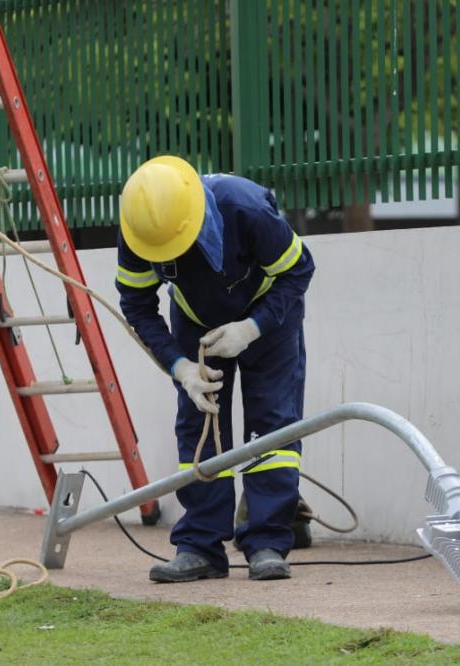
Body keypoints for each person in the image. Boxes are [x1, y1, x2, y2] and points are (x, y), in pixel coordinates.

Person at [115, 155, 315, 582]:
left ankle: (266, 543)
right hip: (195, 322)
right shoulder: (139, 230)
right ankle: (201, 546)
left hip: (267, 317)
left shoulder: (244, 209)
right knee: (199, 427)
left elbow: (299, 270)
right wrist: (180, 366)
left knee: (273, 429)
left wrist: (252, 327)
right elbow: (137, 305)